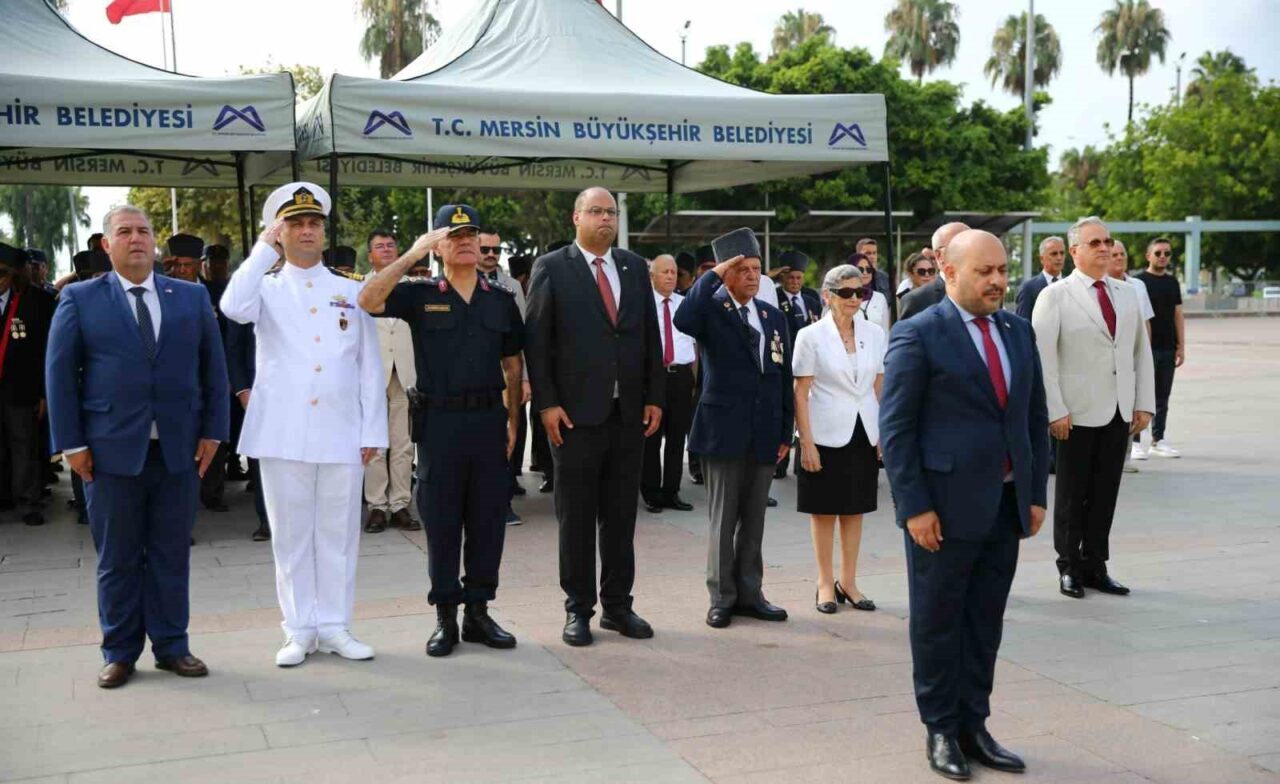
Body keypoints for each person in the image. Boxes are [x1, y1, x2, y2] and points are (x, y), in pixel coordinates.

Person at [880, 229, 1049, 781]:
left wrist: (1036, 493)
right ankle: (941, 729)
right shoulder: (917, 334)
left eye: (1002, 269)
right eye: (985, 271)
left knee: (984, 621)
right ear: (949, 272)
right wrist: (914, 508)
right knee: (937, 621)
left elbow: (1031, 417)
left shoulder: (1019, 332)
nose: (999, 280)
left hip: (1004, 506)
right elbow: (898, 430)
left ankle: (976, 724)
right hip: (942, 512)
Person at [46, 205, 229, 689]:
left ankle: (172, 646)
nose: (136, 239)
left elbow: (214, 369)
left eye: (144, 231)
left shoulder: (190, 297)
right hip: (108, 453)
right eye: (124, 232)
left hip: (179, 450)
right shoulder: (81, 299)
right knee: (118, 557)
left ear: (156, 242)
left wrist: (214, 432)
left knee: (171, 552)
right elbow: (60, 377)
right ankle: (120, 651)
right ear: (106, 245)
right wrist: (71, 444)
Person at [220, 182, 387, 667]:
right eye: (296, 224)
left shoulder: (350, 288)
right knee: (291, 536)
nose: (308, 230)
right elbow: (231, 306)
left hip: (341, 429)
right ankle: (298, 629)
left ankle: (334, 625)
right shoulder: (264, 287)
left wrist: (373, 430)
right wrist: (260, 250)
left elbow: (369, 365)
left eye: (314, 223)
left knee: (338, 534)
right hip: (284, 431)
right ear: (281, 230)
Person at [359, 204, 525, 658]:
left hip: (489, 421)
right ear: (438, 246)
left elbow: (513, 365)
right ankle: (445, 617)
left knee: (489, 521)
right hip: (440, 424)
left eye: (471, 233)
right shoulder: (419, 293)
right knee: (444, 522)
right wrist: (411, 253)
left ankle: (479, 612)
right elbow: (368, 300)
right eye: (453, 235)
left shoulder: (500, 299)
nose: (466, 240)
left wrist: (513, 422)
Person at [524, 186, 665, 647]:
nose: (606, 218)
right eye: (596, 211)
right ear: (576, 218)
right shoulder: (552, 267)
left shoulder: (632, 268)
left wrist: (653, 396)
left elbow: (648, 337)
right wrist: (546, 403)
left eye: (611, 212)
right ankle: (578, 609)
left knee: (622, 516)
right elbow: (537, 342)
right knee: (578, 517)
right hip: (575, 418)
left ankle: (618, 606)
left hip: (628, 416)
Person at [674, 228, 792, 629]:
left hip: (763, 430)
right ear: (726, 273)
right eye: (742, 269)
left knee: (754, 519)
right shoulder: (710, 310)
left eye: (757, 269)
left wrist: (784, 432)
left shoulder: (772, 316)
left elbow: (781, 375)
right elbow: (683, 317)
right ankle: (721, 596)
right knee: (723, 519)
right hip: (723, 429)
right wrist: (715, 275)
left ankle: (750, 593)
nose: (752, 276)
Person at [1032, 216, 1154, 600]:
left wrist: (1144, 404)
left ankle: (1095, 564)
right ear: (1074, 252)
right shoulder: (1056, 296)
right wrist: (1055, 409)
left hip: (1118, 410)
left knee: (1105, 492)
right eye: (1095, 242)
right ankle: (1068, 566)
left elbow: (1141, 353)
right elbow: (1043, 358)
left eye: (1107, 241)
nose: (1104, 248)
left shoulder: (1127, 293)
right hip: (1075, 413)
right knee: (1071, 493)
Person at [792, 264, 885, 614]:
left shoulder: (874, 333)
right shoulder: (810, 336)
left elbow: (879, 384)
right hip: (825, 432)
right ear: (828, 295)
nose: (853, 299)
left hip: (864, 430)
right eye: (845, 293)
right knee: (823, 510)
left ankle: (849, 581)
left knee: (855, 508)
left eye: (859, 292)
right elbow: (801, 393)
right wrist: (806, 441)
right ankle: (824, 583)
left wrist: (881, 432)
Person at [362, 229, 420, 534]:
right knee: (374, 446)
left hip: (406, 375)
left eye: (390, 245)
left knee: (403, 445)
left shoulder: (415, 288)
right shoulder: (359, 287)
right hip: (372, 375)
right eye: (379, 247)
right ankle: (376, 507)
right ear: (370, 255)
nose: (385, 250)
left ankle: (400, 504)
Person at [477, 226, 531, 525]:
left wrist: (525, 379)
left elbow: (523, 335)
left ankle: (504, 499)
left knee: (510, 434)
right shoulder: (463, 281)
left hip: (508, 374)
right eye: (485, 249)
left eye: (496, 250)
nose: (490, 256)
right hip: (476, 375)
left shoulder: (510, 285)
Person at [0, 244, 55, 526]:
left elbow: (47, 351)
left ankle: (28, 502)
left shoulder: (37, 302)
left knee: (24, 447)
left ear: (13, 276)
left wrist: (45, 392)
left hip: (21, 389)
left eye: (2, 274)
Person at [641, 254, 696, 514]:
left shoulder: (686, 305)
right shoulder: (642, 305)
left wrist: (693, 378)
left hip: (681, 376)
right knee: (651, 437)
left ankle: (671, 491)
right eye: (665, 272)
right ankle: (651, 493)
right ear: (652, 276)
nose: (671, 277)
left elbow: (693, 344)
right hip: (653, 376)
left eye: (674, 272)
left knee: (677, 437)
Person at [1134, 237, 1185, 459]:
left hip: (1167, 348)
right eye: (1158, 253)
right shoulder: (1138, 282)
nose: (1163, 257)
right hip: (1145, 348)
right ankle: (1134, 441)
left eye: (1167, 253)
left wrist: (1181, 346)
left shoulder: (1173, 282)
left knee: (1162, 396)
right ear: (1148, 256)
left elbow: (1178, 314)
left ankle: (1158, 439)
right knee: (1139, 395)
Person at [225, 319, 271, 541]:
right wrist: (242, 390)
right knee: (261, 458)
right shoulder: (250, 288)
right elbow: (233, 347)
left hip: (302, 390)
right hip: (258, 390)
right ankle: (267, 520)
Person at [899, 222, 970, 320]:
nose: (970, 251)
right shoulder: (917, 300)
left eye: (973, 245)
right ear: (939, 255)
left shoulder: (988, 291)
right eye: (960, 246)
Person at [1015, 236, 1066, 320]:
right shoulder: (1029, 288)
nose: (1059, 258)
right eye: (1054, 254)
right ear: (1042, 259)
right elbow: (1022, 324)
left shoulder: (1071, 284)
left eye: (1062, 253)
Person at [851, 253, 891, 334]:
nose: (865, 273)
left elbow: (885, 331)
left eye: (869, 269)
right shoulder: (844, 297)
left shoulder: (880, 298)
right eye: (860, 269)